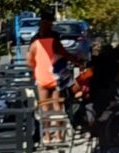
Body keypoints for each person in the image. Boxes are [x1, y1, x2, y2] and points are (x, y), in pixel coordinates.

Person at [26, 13, 80, 143]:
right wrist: (76, 61)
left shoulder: (35, 42)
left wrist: (36, 68)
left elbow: (29, 61)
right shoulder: (54, 40)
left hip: (42, 76)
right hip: (56, 76)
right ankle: (58, 135)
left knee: (44, 106)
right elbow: (64, 54)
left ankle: (47, 135)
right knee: (57, 105)